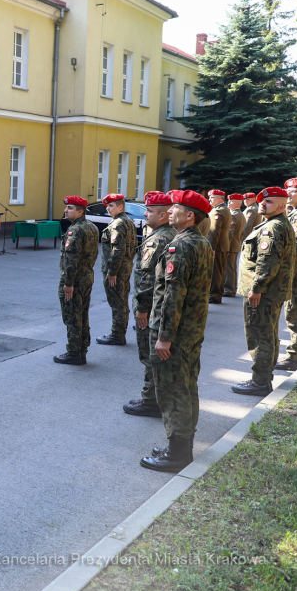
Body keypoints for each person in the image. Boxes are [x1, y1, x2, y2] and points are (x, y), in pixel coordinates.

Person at [140, 190, 213, 472]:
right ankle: (180, 445)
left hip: (176, 333)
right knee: (186, 386)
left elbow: (173, 296)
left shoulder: (179, 247)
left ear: (190, 215)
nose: (169, 211)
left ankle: (178, 453)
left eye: (175, 208)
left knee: (172, 391)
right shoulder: (199, 242)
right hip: (191, 330)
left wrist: (164, 337)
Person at [234, 187, 296, 397]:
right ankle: (262, 379)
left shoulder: (272, 228)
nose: (262, 204)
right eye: (262, 201)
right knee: (267, 335)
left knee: (260, 336)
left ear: (281, 205)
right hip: (271, 291)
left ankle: (259, 382)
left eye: (269, 202)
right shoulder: (275, 224)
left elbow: (267, 262)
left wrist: (256, 289)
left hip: (264, 292)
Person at [124, 192, 177, 418]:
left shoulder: (158, 239)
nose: (145, 214)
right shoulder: (170, 234)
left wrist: (141, 308)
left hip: (152, 307)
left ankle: (151, 401)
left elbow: (147, 278)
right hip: (160, 306)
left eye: (150, 211)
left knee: (149, 354)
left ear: (163, 214)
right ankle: (153, 396)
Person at [54, 196, 99, 365]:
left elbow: (71, 261)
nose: (66, 210)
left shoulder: (76, 230)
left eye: (70, 208)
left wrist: (68, 284)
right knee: (82, 315)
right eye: (66, 207)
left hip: (75, 281)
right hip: (86, 278)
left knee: (72, 316)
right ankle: (82, 349)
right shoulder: (92, 227)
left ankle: (74, 352)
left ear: (80, 211)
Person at [97, 193, 138, 346]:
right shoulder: (127, 221)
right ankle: (118, 332)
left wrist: (112, 272)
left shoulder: (118, 223)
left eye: (111, 205)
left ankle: (117, 334)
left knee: (117, 302)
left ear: (120, 206)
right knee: (121, 300)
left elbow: (117, 250)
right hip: (125, 266)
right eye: (107, 206)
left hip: (116, 269)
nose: (108, 208)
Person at [277, 178, 297, 372]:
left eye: (294, 191)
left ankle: (295, 356)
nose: (288, 193)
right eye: (287, 189)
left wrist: (286, 278)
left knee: (296, 315)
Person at [205, 189, 231, 304]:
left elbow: (214, 231)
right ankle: (218, 293)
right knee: (220, 270)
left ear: (219, 198)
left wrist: (212, 248)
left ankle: (214, 295)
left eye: (212, 197)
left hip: (218, 246)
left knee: (215, 271)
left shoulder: (218, 211)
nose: (209, 199)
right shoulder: (225, 209)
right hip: (223, 245)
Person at [224, 193, 247, 297]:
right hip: (236, 244)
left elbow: (230, 232)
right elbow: (242, 232)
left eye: (231, 201)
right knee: (232, 268)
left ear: (238, 203)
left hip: (231, 245)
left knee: (229, 268)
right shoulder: (241, 214)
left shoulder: (233, 214)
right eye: (228, 201)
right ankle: (231, 288)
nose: (229, 202)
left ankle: (229, 290)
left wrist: (227, 247)